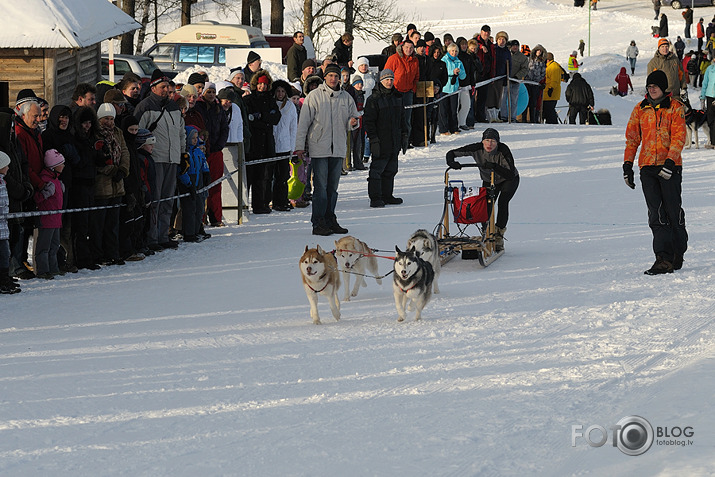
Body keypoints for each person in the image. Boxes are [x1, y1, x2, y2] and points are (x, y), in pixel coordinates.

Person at [623, 70, 687, 274]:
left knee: (672, 210)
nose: (651, 89)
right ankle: (663, 258)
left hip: (670, 167)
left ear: (663, 88)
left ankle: (678, 250)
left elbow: (679, 136)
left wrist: (670, 161)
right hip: (648, 167)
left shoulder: (675, 108)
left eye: (655, 86)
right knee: (656, 214)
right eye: (649, 87)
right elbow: (633, 139)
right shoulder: (640, 109)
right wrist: (627, 165)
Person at [294, 63, 360, 236]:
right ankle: (318, 222)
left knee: (333, 188)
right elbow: (303, 124)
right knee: (321, 188)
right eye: (330, 76)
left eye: (336, 76)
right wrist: (299, 147)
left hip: (338, 148)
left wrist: (352, 123)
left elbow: (354, 117)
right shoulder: (314, 96)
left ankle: (330, 219)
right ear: (325, 77)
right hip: (319, 147)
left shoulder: (346, 97)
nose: (333, 79)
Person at [134, 69, 186, 251]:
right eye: (163, 87)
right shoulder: (145, 106)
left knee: (168, 199)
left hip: (172, 159)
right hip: (155, 160)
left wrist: (182, 153)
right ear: (154, 88)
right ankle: (152, 237)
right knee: (155, 201)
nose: (166, 90)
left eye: (168, 87)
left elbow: (181, 132)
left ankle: (164, 234)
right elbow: (137, 132)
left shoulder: (174, 107)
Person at [445, 128, 519, 252]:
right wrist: (452, 162)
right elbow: (451, 153)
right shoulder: (476, 148)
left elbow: (510, 174)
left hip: (508, 180)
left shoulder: (503, 150)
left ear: (498, 142)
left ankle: (499, 235)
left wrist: (495, 166)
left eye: (493, 142)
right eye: (487, 141)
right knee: (485, 205)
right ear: (482, 141)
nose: (490, 144)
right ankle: (487, 233)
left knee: (502, 202)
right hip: (489, 179)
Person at [92, 103, 130, 266]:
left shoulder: (118, 132)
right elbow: (96, 159)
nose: (110, 122)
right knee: (99, 224)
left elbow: (125, 152)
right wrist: (111, 170)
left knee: (113, 224)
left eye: (111, 118)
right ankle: (99, 254)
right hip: (101, 186)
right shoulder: (95, 134)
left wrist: (122, 169)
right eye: (106, 118)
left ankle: (113, 252)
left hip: (117, 186)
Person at [363, 68, 406, 208]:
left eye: (391, 79)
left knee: (391, 169)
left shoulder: (398, 97)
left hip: (394, 139)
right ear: (381, 81)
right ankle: (375, 197)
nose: (389, 82)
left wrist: (404, 135)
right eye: (386, 79)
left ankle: (387, 195)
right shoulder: (373, 99)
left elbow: (403, 119)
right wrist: (373, 139)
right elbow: (369, 122)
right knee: (377, 170)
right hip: (380, 140)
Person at [244, 70, 282, 214]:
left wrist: (260, 117)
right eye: (260, 84)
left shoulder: (270, 100)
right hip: (253, 143)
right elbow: (249, 121)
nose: (262, 87)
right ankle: (244, 205)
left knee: (263, 177)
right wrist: (266, 119)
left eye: (265, 84)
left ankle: (260, 205)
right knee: (249, 177)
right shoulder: (249, 100)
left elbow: (276, 118)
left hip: (266, 143)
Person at [195, 82, 229, 226]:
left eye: (213, 92)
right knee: (201, 185)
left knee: (216, 185)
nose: (211, 95)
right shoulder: (198, 107)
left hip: (215, 151)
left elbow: (224, 128)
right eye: (209, 92)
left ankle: (216, 217)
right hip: (202, 151)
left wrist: (219, 145)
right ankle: (201, 218)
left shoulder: (218, 108)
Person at [33, 149, 65, 279]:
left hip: (56, 219)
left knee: (54, 246)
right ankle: (43, 270)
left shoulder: (56, 179)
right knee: (43, 247)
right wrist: (44, 193)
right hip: (46, 219)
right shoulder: (45, 179)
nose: (63, 166)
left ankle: (53, 268)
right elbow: (37, 199)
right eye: (61, 163)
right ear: (53, 166)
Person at [384, 39, 419, 144]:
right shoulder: (394, 58)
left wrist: (413, 89)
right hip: (395, 92)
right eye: (407, 47)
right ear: (402, 47)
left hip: (408, 92)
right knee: (395, 117)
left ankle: (406, 142)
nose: (409, 50)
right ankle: (394, 141)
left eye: (411, 48)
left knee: (407, 119)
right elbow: (386, 74)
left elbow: (416, 76)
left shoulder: (415, 60)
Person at [271, 79, 298, 211]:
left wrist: (292, 149)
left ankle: (282, 200)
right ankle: (272, 201)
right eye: (278, 91)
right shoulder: (270, 104)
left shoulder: (290, 107)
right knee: (271, 176)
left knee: (283, 176)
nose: (280, 94)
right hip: (271, 146)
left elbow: (293, 128)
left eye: (282, 91)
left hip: (285, 146)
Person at [0, 151, 20, 293]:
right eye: (6, 166)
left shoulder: (2, 181)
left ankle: (5, 278)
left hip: (3, 226)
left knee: (5, 253)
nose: (8, 168)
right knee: (2, 254)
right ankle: (3, 281)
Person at [440, 43, 466, 135]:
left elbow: (463, 76)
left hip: (454, 88)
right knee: (444, 110)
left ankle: (454, 127)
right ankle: (443, 129)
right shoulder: (444, 60)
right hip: (444, 88)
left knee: (453, 109)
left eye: (456, 51)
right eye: (452, 51)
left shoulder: (459, 62)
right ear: (448, 51)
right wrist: (452, 72)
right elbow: (442, 72)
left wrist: (460, 72)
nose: (454, 53)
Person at [475, 25, 496, 123]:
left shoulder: (490, 44)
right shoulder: (476, 41)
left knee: (483, 98)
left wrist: (492, 75)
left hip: (487, 74)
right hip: (477, 74)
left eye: (488, 32)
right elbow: (471, 45)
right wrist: (480, 46)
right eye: (484, 32)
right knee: (472, 97)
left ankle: (480, 116)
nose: (486, 34)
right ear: (481, 32)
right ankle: (472, 117)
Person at [524, 44, 547, 123]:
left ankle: (532, 119)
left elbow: (543, 73)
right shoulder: (528, 60)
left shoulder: (542, 62)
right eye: (537, 50)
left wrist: (538, 79)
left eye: (540, 51)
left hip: (535, 84)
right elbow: (525, 69)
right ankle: (524, 118)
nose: (539, 52)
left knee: (533, 102)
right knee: (526, 101)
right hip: (527, 82)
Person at [543, 52, 567, 124]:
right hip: (548, 93)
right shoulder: (549, 66)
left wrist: (551, 88)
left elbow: (554, 80)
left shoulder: (553, 67)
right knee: (547, 110)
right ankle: (550, 122)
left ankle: (553, 123)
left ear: (547, 59)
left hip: (551, 94)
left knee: (549, 110)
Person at [699, 59, 715, 148]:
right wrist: (702, 97)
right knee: (711, 119)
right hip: (710, 95)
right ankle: (713, 142)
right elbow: (705, 83)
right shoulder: (710, 68)